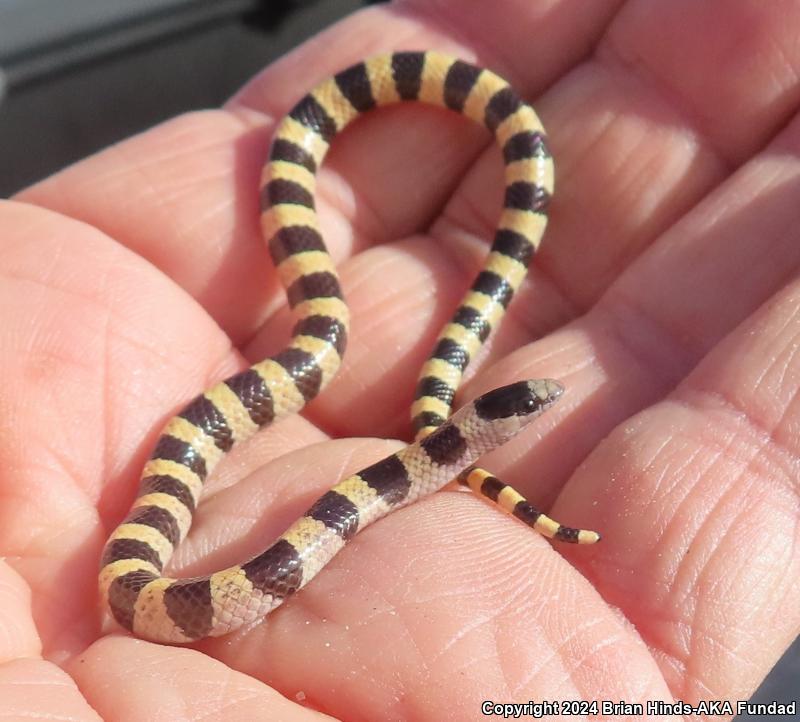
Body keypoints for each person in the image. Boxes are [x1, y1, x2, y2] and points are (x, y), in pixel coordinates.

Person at [1, 1, 797, 719]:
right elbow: (133, 590)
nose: (542, 399)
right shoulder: (442, 446)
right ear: (484, 430)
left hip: (160, 569)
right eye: (525, 405)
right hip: (131, 586)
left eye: (525, 403)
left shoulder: (434, 447)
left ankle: (497, 154)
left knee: (324, 342)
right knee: (322, 341)